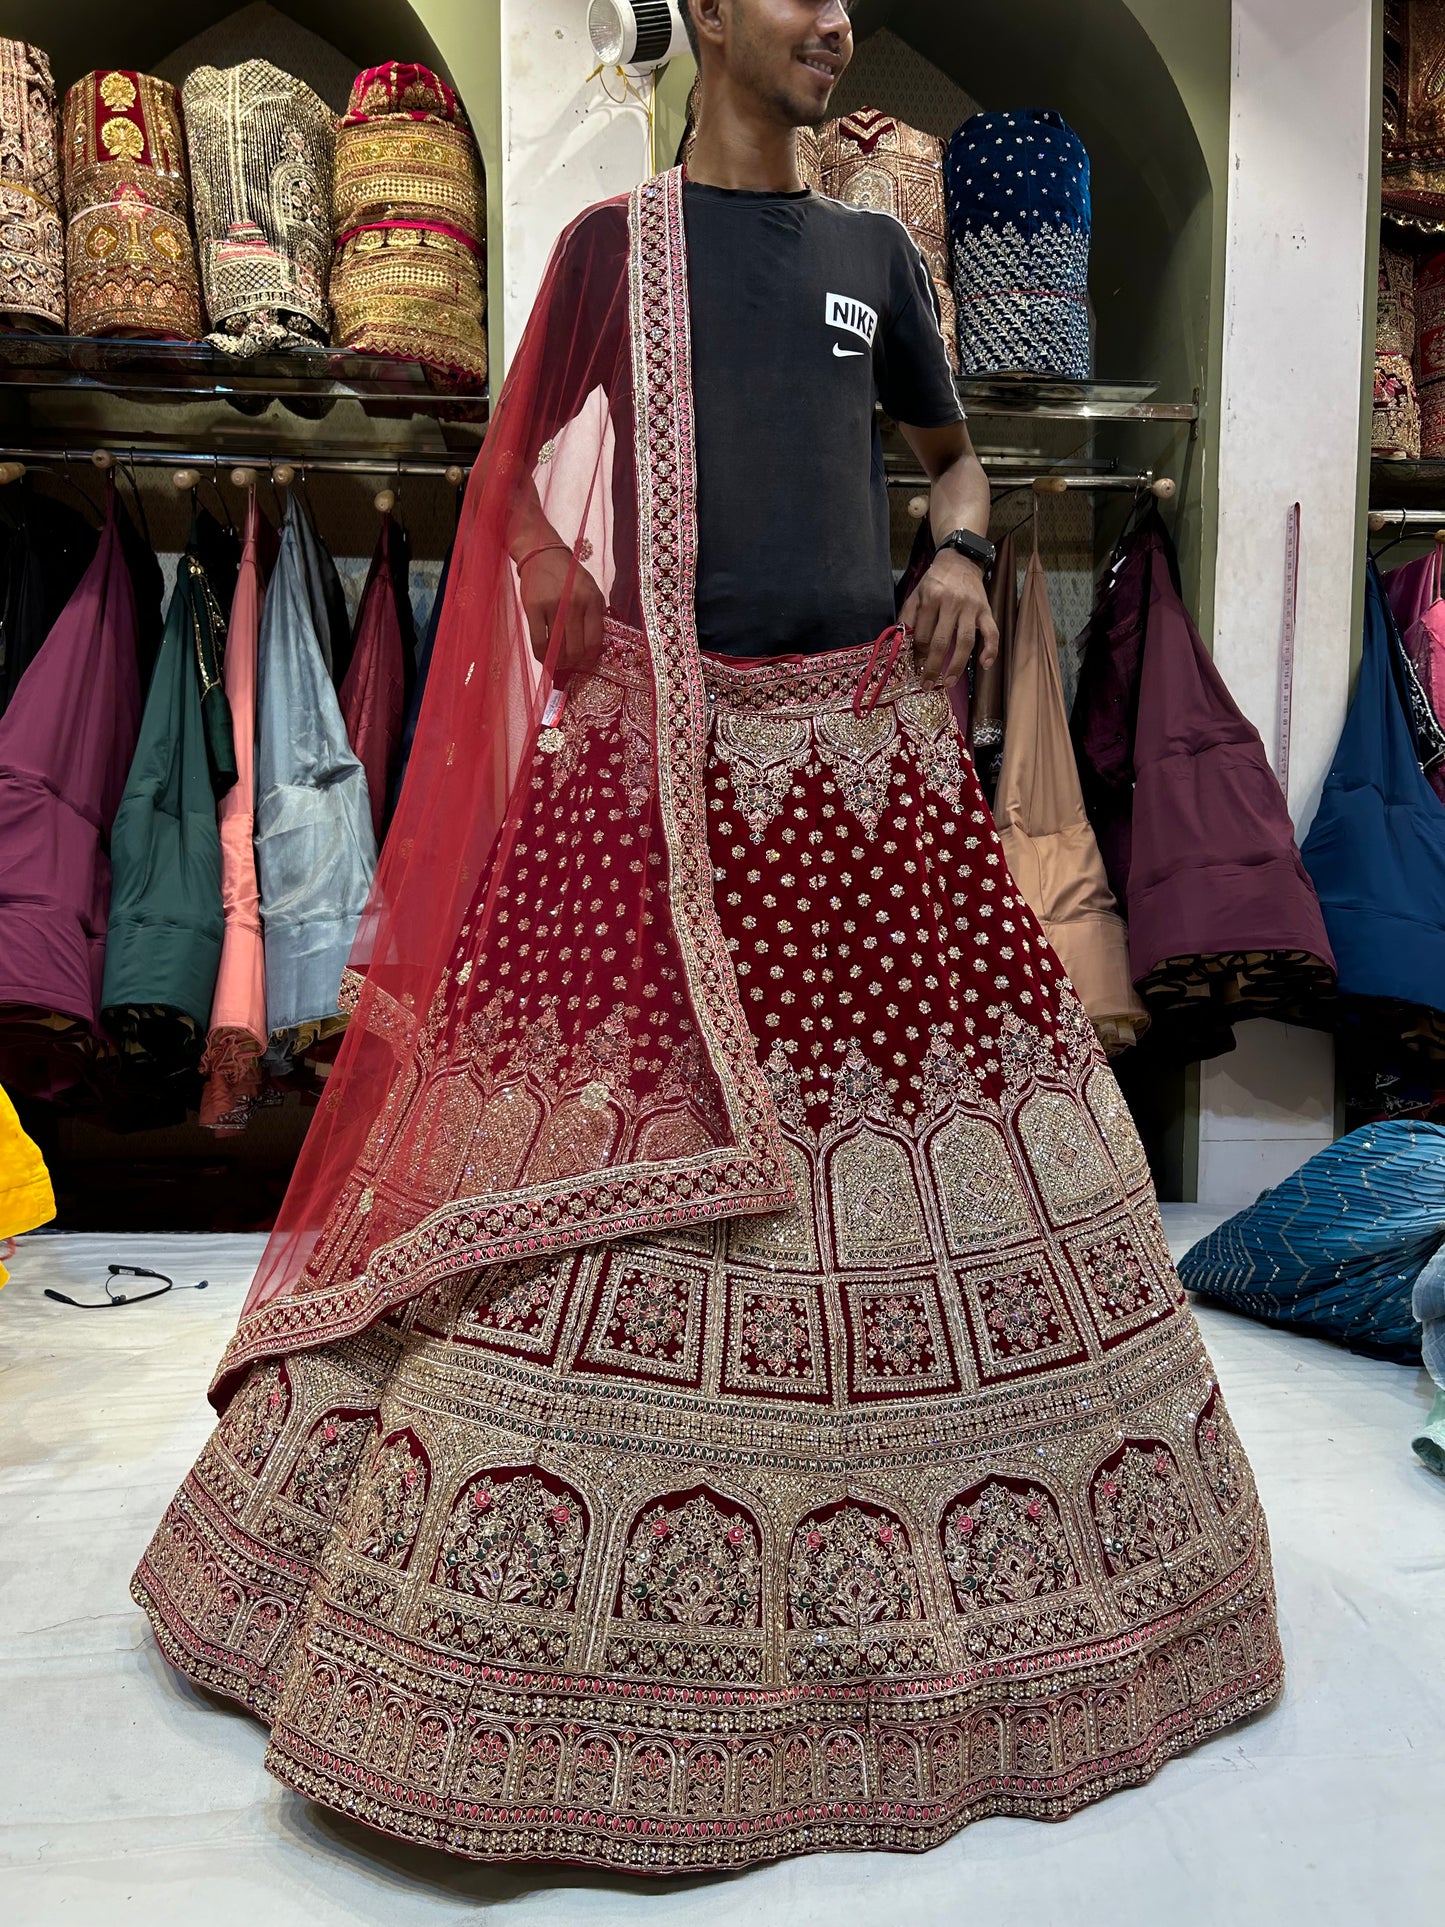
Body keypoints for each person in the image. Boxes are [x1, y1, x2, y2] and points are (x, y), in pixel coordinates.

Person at [132, 0, 1282, 1874]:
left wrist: (965, 552)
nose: (834, 20)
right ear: (708, 15)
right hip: (659, 767)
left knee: (925, 1140)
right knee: (582, 1148)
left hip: (857, 769)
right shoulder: (610, 251)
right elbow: (513, 479)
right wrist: (560, 588)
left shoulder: (869, 253)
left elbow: (956, 456)